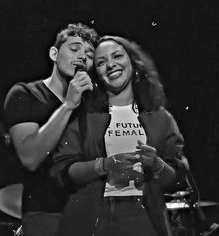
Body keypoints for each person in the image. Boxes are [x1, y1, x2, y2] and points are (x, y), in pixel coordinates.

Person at [50, 35, 185, 236]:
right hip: (94, 218)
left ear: (133, 62)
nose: (111, 65)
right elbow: (64, 169)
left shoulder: (160, 117)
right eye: (101, 63)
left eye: (117, 56)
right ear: (96, 73)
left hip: (144, 217)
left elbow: (177, 178)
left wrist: (156, 163)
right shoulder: (84, 116)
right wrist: (104, 165)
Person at [4, 23, 99, 236]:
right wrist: (68, 105)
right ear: (54, 53)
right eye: (74, 49)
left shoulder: (92, 107)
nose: (82, 57)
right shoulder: (25, 94)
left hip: (89, 215)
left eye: (90, 54)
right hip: (45, 215)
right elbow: (30, 157)